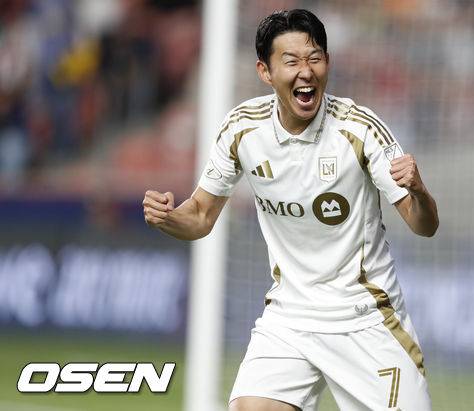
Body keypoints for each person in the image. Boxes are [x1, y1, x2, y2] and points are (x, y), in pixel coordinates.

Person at [143, 9, 438, 411]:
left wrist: (418, 190)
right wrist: (169, 217)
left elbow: (423, 225)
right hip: (290, 318)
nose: (306, 71)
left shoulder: (360, 129)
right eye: (292, 61)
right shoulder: (242, 129)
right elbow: (199, 216)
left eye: (315, 58)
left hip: (365, 320)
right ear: (265, 72)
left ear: (327, 62)